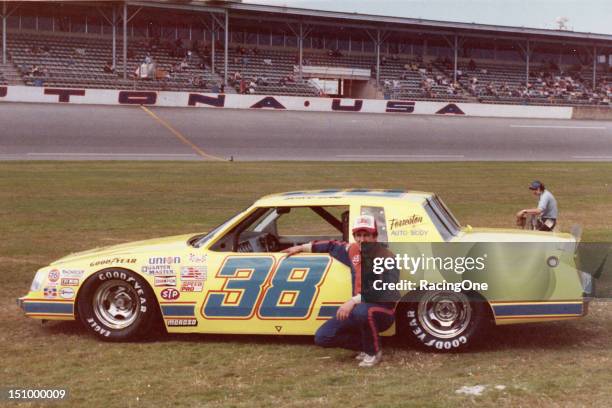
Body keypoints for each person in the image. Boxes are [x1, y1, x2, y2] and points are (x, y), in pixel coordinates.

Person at [282, 215, 398, 367]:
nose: (362, 239)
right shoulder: (352, 250)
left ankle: (373, 353)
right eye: (358, 235)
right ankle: (366, 345)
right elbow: (331, 245)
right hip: (358, 310)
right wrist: (302, 247)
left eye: (366, 235)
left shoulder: (387, 257)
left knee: (362, 311)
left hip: (383, 311)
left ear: (375, 236)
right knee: (323, 337)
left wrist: (352, 301)